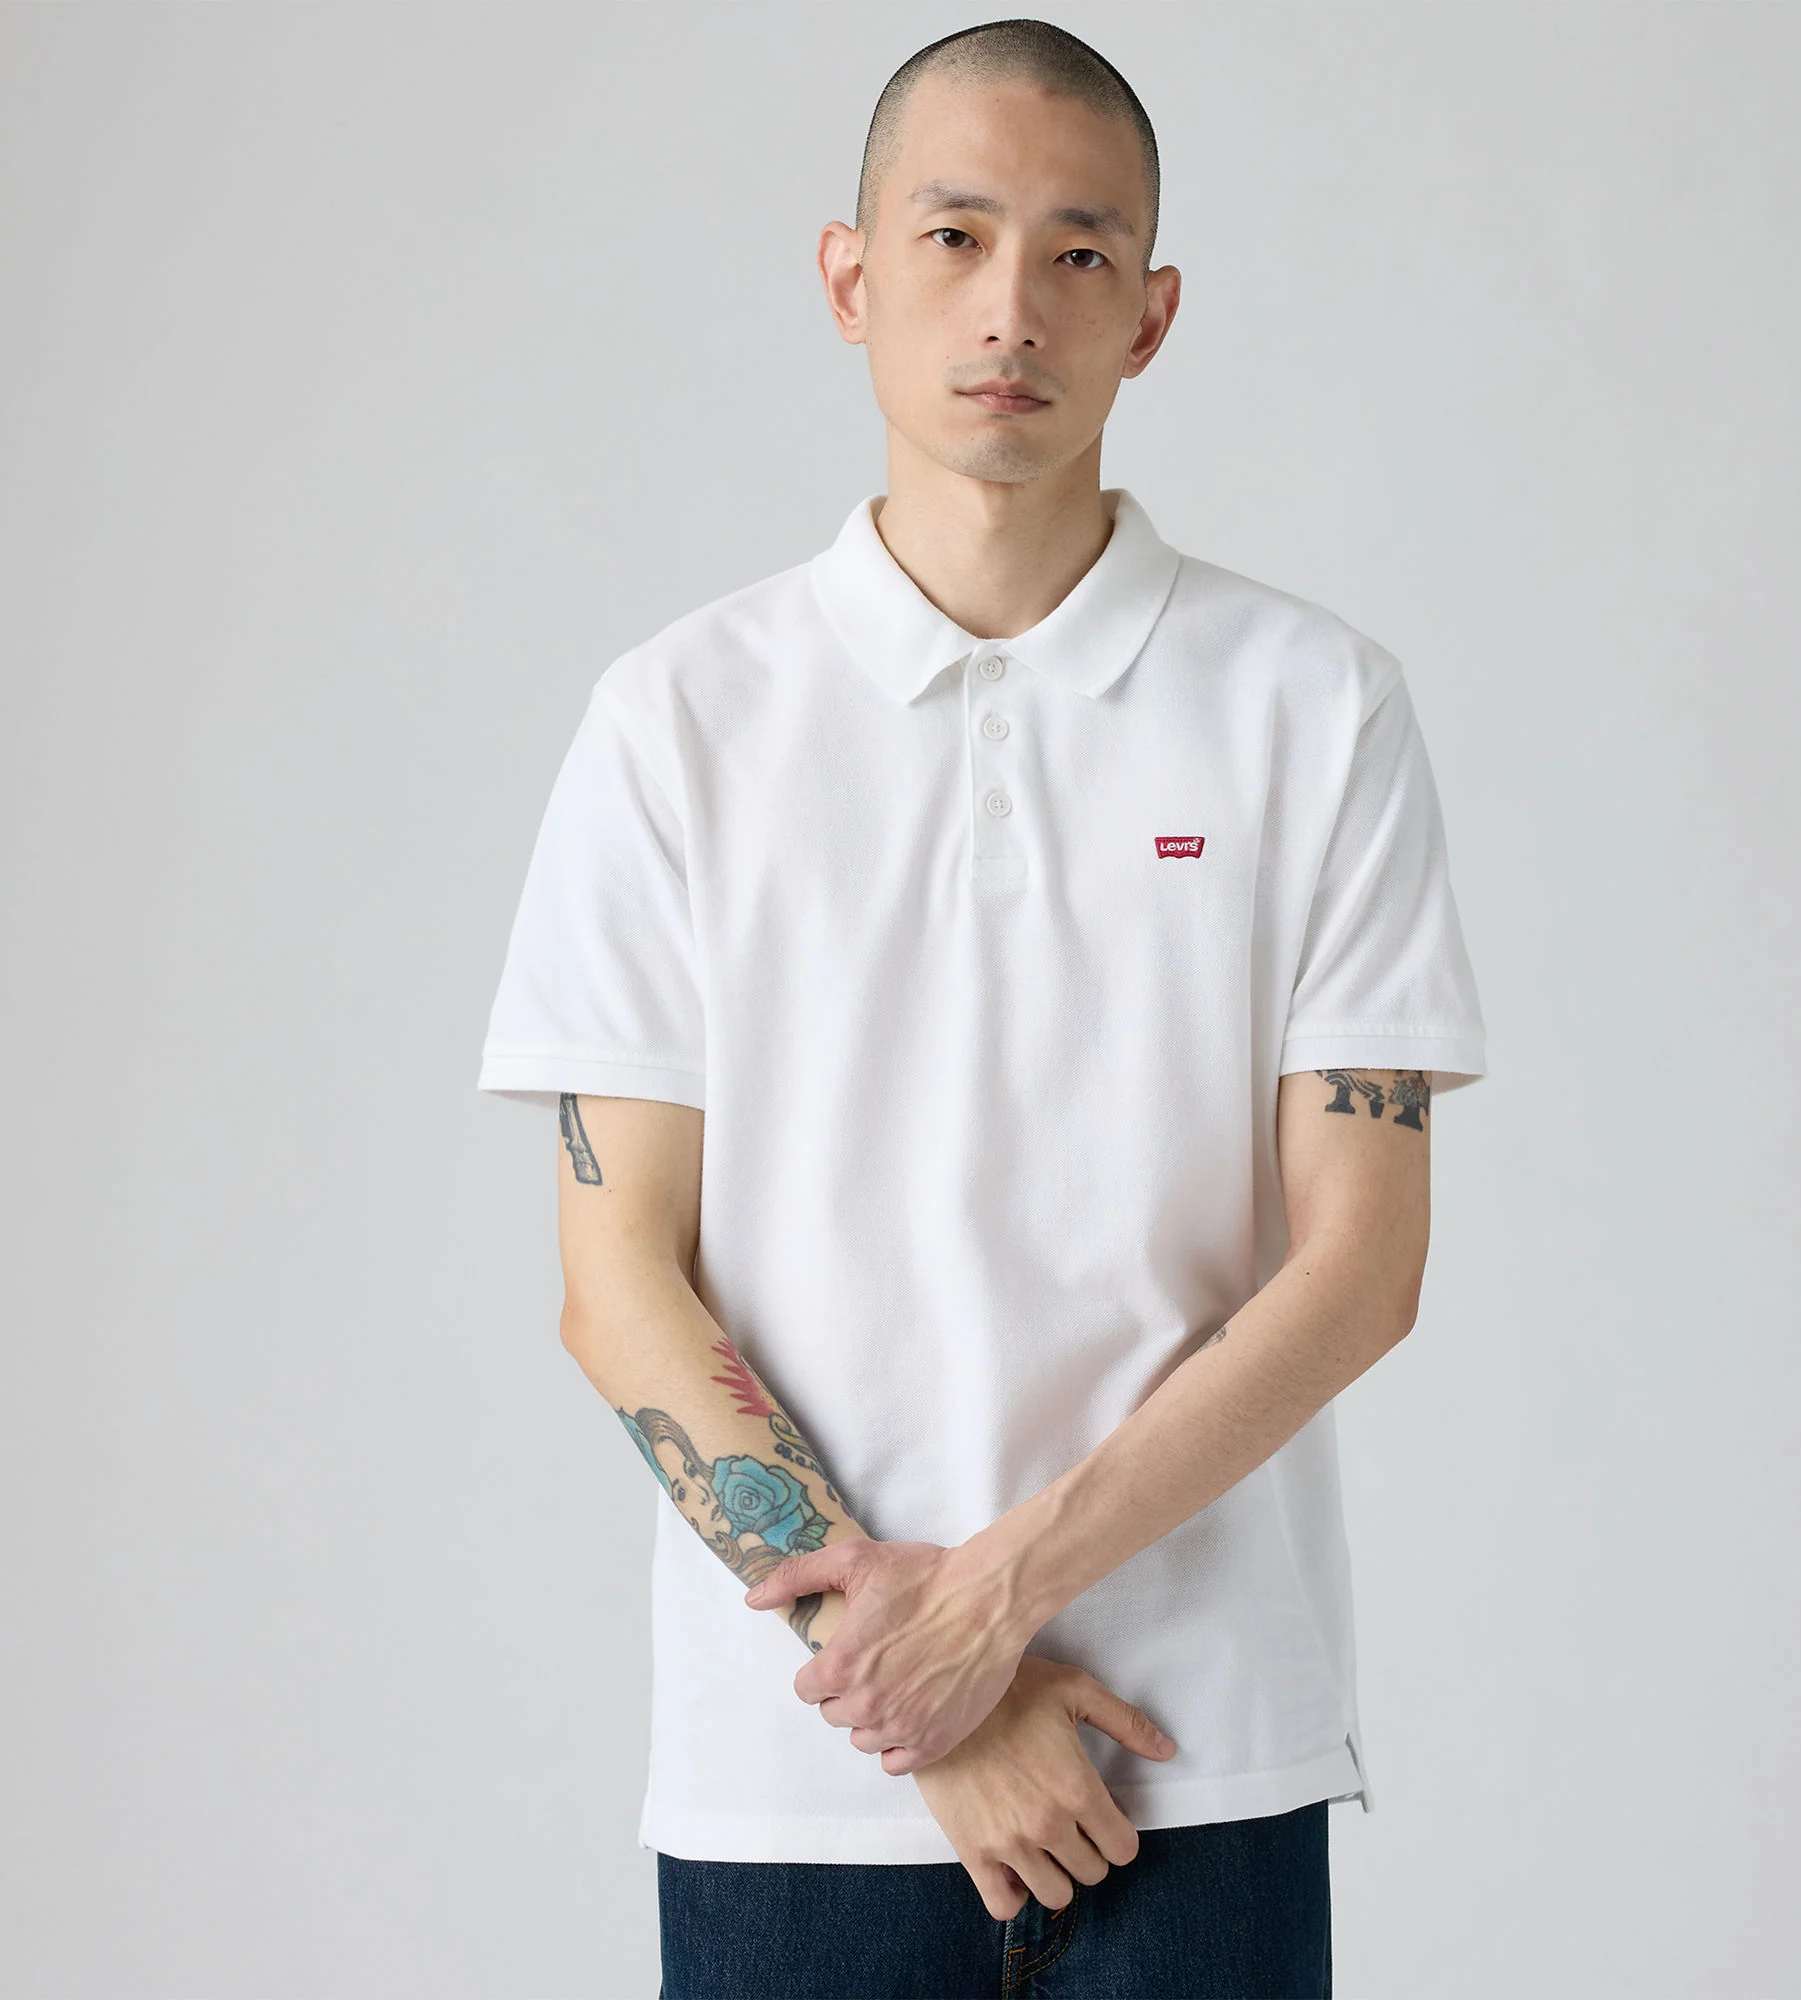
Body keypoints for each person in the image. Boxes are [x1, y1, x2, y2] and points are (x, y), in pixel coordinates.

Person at [477, 17, 1486, 1997]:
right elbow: (618, 1281)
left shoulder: (1314, 709)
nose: (1011, 304)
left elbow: (1362, 1267)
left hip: (1197, 1756)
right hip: (800, 1786)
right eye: (952, 238)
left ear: (1152, 314)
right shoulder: (677, 723)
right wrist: (925, 1686)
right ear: (849, 279)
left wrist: (992, 1604)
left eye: (1078, 251)